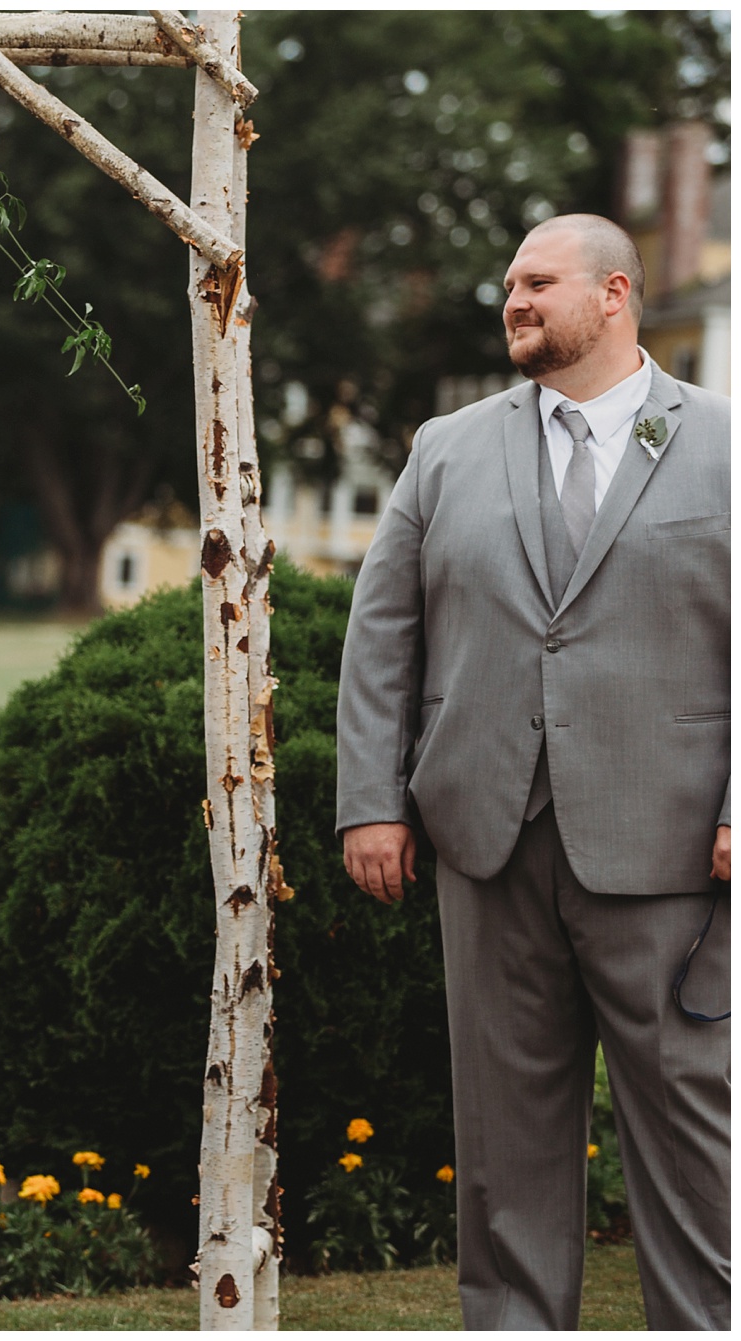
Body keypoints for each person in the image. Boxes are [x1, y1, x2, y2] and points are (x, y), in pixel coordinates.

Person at [337, 213, 730, 1331]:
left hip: (667, 852)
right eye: (506, 283)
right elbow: (382, 636)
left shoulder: (722, 442)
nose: (511, 300)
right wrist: (371, 800)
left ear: (613, 295)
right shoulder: (443, 448)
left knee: (691, 1135)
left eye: (536, 282)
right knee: (502, 1143)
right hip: (483, 843)